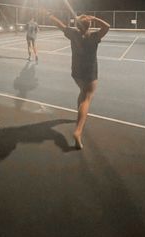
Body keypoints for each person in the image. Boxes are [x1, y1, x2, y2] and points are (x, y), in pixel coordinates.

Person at [46, 11, 110, 149]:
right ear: (89, 25)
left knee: (82, 93)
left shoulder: (73, 34)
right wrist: (94, 18)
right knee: (87, 98)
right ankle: (78, 131)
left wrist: (50, 15)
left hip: (76, 72)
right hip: (89, 73)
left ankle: (79, 115)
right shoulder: (93, 36)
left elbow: (60, 25)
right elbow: (107, 27)